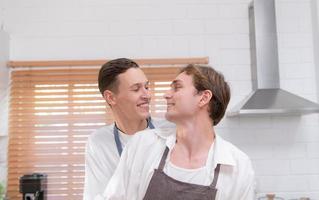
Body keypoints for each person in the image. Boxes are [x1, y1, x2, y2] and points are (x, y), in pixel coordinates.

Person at [103, 64, 255, 200]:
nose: (166, 94)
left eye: (177, 87)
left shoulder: (238, 166)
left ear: (203, 98)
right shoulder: (143, 145)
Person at [83, 58, 174, 200]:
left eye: (147, 87)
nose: (147, 95)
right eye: (136, 89)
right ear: (111, 97)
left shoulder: (171, 131)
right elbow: (95, 196)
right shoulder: (99, 142)